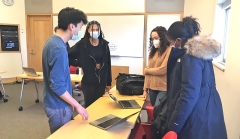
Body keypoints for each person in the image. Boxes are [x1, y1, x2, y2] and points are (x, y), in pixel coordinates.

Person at [164, 16, 227, 139]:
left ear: (178, 40)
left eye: (171, 43)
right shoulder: (199, 55)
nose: (172, 46)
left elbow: (189, 93)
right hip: (205, 110)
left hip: (196, 116)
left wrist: (174, 126)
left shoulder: (190, 58)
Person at [42, 7, 88, 134]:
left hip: (54, 103)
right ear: (71, 27)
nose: (80, 30)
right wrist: (78, 105)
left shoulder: (52, 41)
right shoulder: (59, 49)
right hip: (58, 106)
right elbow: (57, 85)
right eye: (79, 27)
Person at [68, 20, 112, 108]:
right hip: (88, 82)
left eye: (97, 29)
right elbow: (69, 55)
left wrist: (108, 82)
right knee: (90, 106)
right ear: (88, 30)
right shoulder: (83, 44)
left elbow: (108, 63)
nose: (95, 32)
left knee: (100, 106)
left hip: (101, 81)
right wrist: (80, 63)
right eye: (93, 29)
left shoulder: (104, 44)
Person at [139, 26, 171, 106]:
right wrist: (145, 90)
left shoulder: (169, 50)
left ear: (163, 37)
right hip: (152, 88)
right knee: (154, 112)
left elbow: (163, 70)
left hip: (163, 88)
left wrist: (147, 70)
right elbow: (148, 73)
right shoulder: (152, 52)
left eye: (156, 38)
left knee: (158, 111)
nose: (154, 41)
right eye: (152, 39)